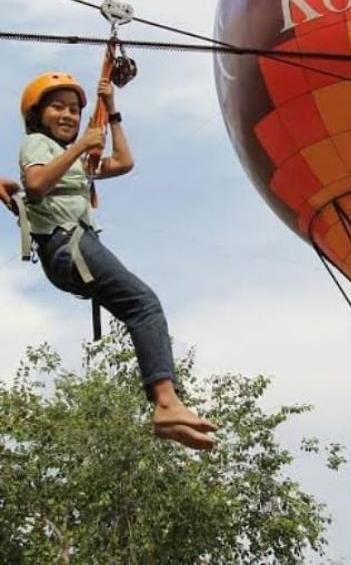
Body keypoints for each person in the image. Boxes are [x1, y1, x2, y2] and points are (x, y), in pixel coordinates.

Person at [18, 71, 219, 451]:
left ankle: (167, 405)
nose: (68, 116)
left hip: (75, 248)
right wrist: (80, 147)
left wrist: (111, 111)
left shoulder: (74, 160)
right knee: (144, 304)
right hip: (66, 244)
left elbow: (124, 162)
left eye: (75, 110)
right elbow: (37, 185)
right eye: (57, 107)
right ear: (37, 115)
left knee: (139, 307)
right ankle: (165, 404)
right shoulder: (36, 145)